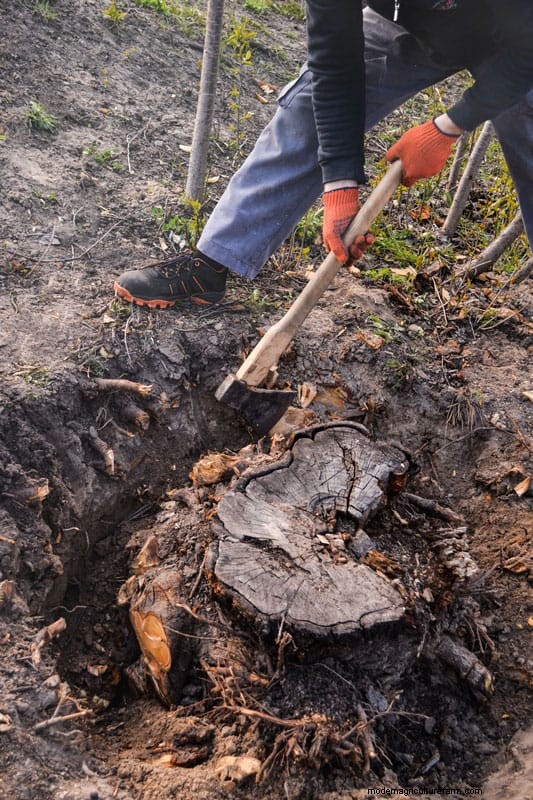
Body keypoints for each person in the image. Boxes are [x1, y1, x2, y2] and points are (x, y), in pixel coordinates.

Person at [114, 0, 533, 309]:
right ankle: (212, 262)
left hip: (519, 40)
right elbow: (334, 64)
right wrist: (339, 186)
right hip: (413, 25)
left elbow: (526, 52)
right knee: (307, 107)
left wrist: (448, 126)